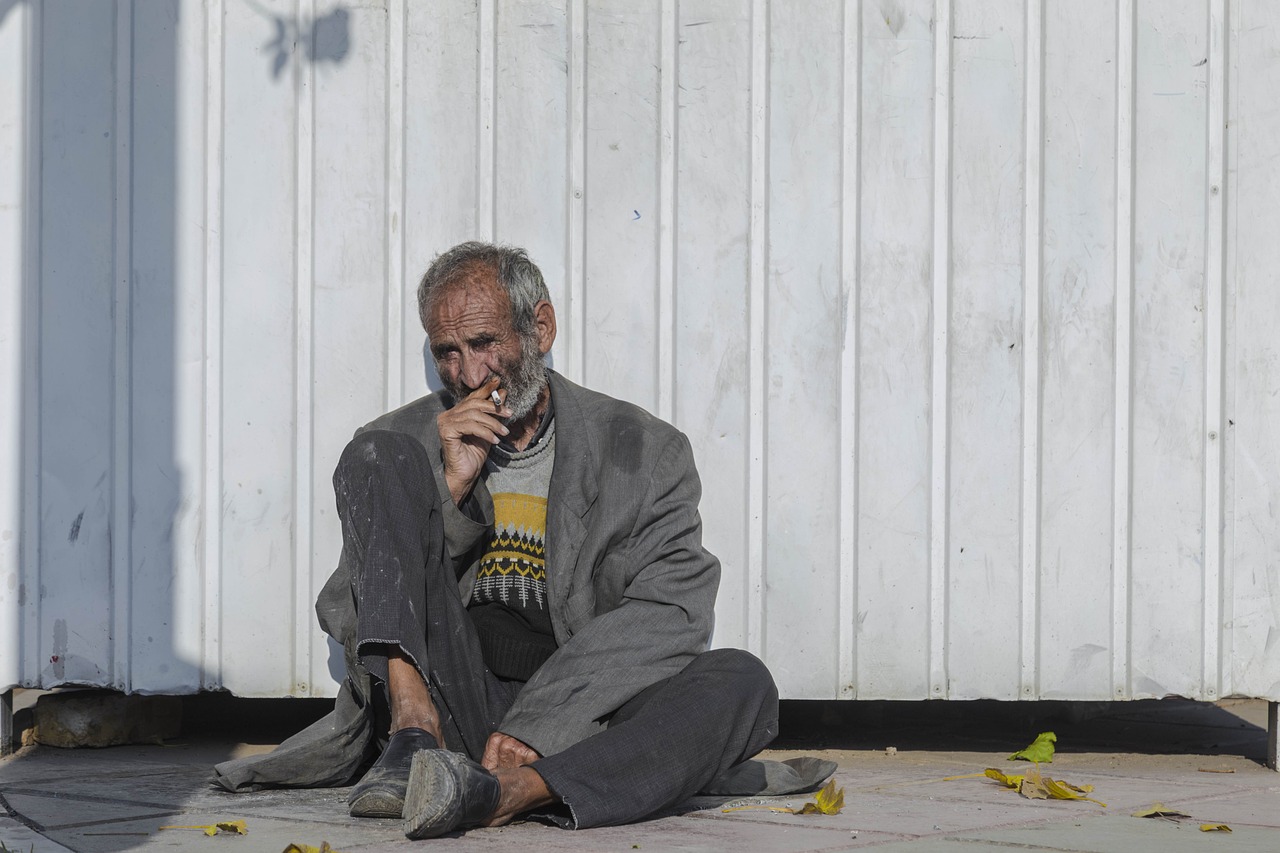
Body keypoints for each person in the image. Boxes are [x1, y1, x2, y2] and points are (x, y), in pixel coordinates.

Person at [212, 242, 832, 837]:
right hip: (447, 699)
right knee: (378, 453)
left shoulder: (643, 449)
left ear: (540, 328)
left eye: (484, 343)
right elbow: (350, 608)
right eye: (447, 352)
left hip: (583, 710)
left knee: (742, 680)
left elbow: (673, 612)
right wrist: (449, 488)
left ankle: (508, 791)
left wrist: (543, 720)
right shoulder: (403, 445)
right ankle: (414, 735)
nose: (468, 373)